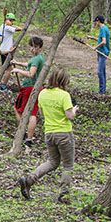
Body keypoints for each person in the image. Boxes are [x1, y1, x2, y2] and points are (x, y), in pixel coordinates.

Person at [18, 66, 79, 202]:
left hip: (49, 133)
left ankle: (30, 179)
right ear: (64, 81)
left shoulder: (43, 93)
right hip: (64, 133)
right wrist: (74, 110)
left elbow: (41, 113)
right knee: (68, 165)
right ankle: (64, 195)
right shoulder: (64, 95)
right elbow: (70, 116)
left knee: (52, 161)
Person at [10, 36, 45, 147]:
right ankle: (29, 138)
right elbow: (30, 65)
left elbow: (31, 73)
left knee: (18, 109)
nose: (32, 49)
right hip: (37, 87)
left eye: (35, 47)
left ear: (40, 47)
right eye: (31, 46)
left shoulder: (36, 58)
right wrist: (19, 63)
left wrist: (17, 70)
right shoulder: (39, 57)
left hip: (29, 87)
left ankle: (23, 133)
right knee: (33, 112)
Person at [0, 13, 22, 91]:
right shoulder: (6, 27)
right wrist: (16, 27)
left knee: (6, 68)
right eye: (10, 20)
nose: (11, 22)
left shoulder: (4, 26)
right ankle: (3, 86)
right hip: (6, 51)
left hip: (6, 50)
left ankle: (1, 84)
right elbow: (18, 29)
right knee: (9, 69)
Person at [94, 15, 110, 94]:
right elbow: (101, 39)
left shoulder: (103, 29)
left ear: (99, 21)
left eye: (96, 22)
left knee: (100, 72)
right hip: (101, 52)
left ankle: (102, 91)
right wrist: (91, 38)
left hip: (102, 53)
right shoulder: (104, 28)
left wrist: (95, 47)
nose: (96, 23)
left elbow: (104, 42)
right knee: (102, 72)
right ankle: (102, 90)